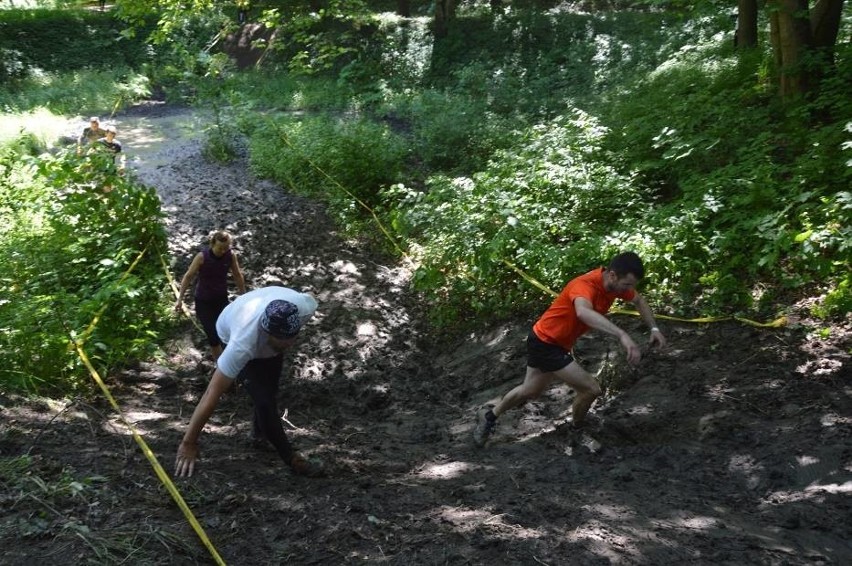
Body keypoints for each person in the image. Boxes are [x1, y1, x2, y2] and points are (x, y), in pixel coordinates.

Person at [473, 252, 667, 447]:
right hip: (546, 343)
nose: (629, 290)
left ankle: (489, 416)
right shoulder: (584, 285)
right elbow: (583, 312)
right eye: (627, 285)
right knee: (591, 389)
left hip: (550, 340)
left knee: (530, 390)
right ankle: (576, 430)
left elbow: (639, 301)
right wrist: (622, 334)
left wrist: (654, 328)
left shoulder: (617, 286)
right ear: (613, 275)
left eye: (632, 285)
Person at [175, 286, 325, 478]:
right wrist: (189, 443)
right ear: (267, 331)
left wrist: (282, 343)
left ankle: (258, 434)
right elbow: (211, 394)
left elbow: (311, 297)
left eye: (292, 338)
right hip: (230, 325)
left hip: (259, 313)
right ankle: (292, 459)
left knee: (269, 388)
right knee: (264, 401)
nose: (289, 344)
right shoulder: (242, 344)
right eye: (282, 340)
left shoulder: (303, 307)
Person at [174, 231, 247, 360]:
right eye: (220, 248)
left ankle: (229, 361)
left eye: (226, 248)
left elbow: (237, 275)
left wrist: (244, 295)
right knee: (213, 335)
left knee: (226, 332)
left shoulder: (230, 256)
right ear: (212, 244)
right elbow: (188, 276)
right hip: (203, 301)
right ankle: (219, 365)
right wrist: (180, 299)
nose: (223, 251)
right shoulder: (202, 257)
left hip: (221, 300)